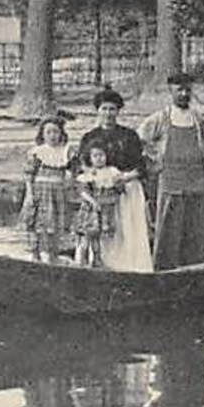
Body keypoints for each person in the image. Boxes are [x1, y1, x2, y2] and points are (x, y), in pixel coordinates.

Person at [136, 72, 204, 270]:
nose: (184, 94)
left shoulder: (197, 118)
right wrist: (154, 161)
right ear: (171, 91)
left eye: (187, 90)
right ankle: (164, 272)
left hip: (196, 182)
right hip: (171, 183)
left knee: (194, 231)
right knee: (168, 231)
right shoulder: (161, 118)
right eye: (179, 90)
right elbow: (139, 140)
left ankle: (193, 271)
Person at [76, 88, 151, 271]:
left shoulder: (129, 135)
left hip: (126, 188)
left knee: (127, 229)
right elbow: (81, 165)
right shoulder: (89, 137)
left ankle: (130, 267)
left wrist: (125, 177)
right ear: (97, 111)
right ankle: (100, 265)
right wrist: (96, 177)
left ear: (118, 111)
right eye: (104, 109)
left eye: (112, 109)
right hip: (100, 191)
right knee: (99, 229)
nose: (108, 113)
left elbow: (141, 166)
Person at [22, 116, 77, 260]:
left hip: (58, 192)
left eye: (55, 132)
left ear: (61, 134)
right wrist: (29, 194)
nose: (52, 136)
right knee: (37, 224)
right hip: (40, 192)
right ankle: (35, 255)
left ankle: (53, 255)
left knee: (55, 226)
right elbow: (29, 175)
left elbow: (74, 172)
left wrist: (69, 183)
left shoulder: (66, 151)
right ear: (42, 134)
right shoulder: (37, 152)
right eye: (48, 132)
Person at [74, 144, 124, 267]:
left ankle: (97, 259)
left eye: (101, 155)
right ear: (90, 158)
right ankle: (82, 260)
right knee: (88, 236)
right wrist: (93, 201)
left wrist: (118, 183)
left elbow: (119, 189)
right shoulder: (89, 174)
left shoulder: (112, 172)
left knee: (100, 237)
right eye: (95, 156)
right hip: (91, 209)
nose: (99, 158)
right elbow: (82, 191)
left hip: (107, 209)